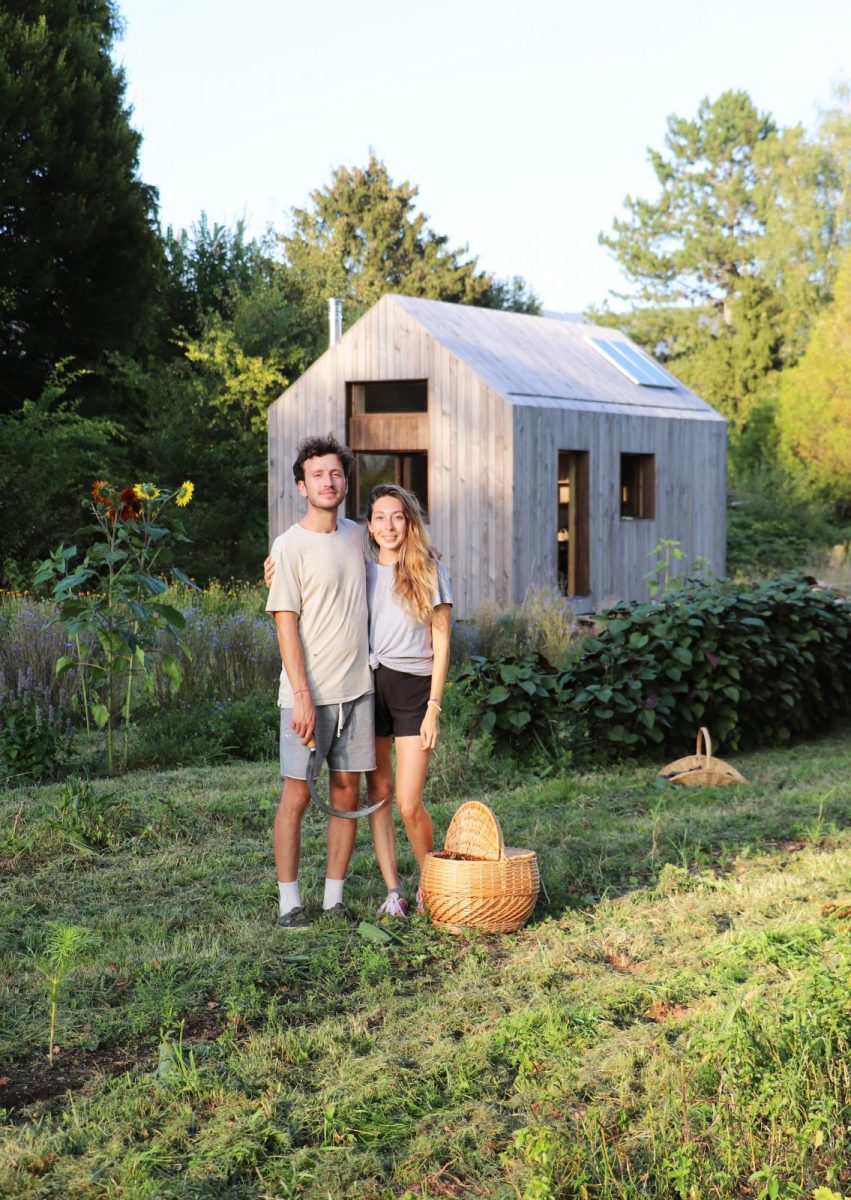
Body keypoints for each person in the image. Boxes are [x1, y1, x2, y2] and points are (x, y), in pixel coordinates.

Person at [265, 434, 375, 929]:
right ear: (301, 485)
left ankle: (334, 897)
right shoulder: (288, 546)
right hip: (307, 697)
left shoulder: (357, 535)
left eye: (335, 473)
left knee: (347, 790)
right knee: (298, 795)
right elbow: (284, 623)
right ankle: (290, 901)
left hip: (359, 690)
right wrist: (303, 696)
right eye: (318, 475)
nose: (328, 482)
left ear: (345, 481)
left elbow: (396, 554)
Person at [363, 484, 452, 917]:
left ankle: (430, 884)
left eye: (397, 516)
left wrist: (434, 706)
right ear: (369, 525)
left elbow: (441, 637)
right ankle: (394, 890)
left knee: (408, 800)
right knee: (378, 793)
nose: (389, 526)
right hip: (367, 684)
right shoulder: (360, 566)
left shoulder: (428, 566)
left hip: (413, 687)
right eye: (380, 517)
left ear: (409, 520)